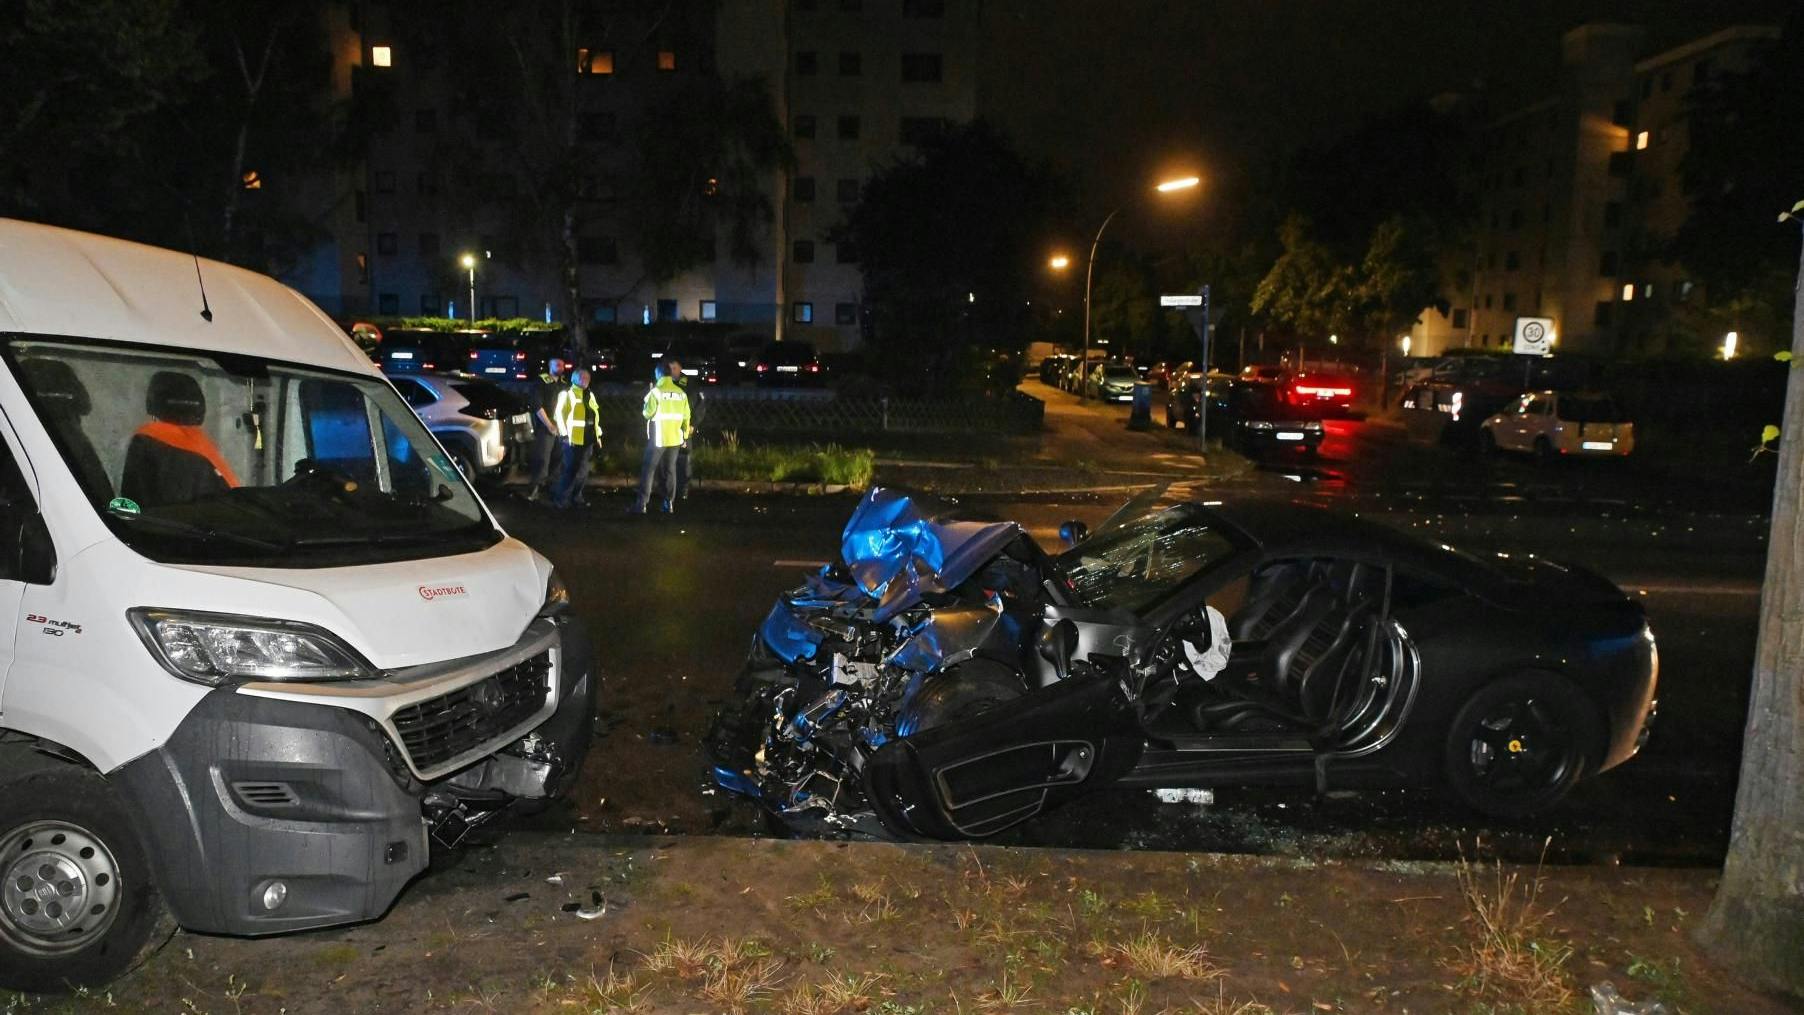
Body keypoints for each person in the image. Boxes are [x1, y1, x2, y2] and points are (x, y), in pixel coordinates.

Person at [630, 362, 690, 515]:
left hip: (659, 438)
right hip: (675, 438)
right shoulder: (681, 393)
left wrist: (647, 402)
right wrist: (684, 436)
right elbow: (686, 417)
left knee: (649, 469)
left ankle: (642, 504)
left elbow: (647, 414)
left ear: (658, 375)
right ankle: (668, 504)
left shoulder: (656, 392)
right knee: (670, 470)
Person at [549, 367, 599, 509]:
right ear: (574, 379)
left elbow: (596, 417)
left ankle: (576, 497)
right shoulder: (566, 394)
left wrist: (598, 436)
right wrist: (564, 435)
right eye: (582, 377)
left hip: (587, 440)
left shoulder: (590, 395)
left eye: (587, 377)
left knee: (583, 471)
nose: (585, 379)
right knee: (570, 471)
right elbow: (559, 415)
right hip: (571, 440)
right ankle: (561, 499)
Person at [524, 356, 566, 502]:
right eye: (557, 364)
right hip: (545, 427)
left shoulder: (564, 384)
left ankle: (552, 489)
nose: (560, 367)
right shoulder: (541, 382)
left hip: (561, 428)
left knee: (559, 459)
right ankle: (534, 489)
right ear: (550, 365)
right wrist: (549, 425)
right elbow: (537, 406)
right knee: (542, 459)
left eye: (562, 365)